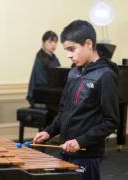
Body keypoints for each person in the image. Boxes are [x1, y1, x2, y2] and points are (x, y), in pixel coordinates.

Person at [33, 20, 119, 180]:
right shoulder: (73, 73)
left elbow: (111, 121)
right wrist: (49, 131)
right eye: (66, 50)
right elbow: (63, 112)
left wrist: (80, 141)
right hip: (65, 150)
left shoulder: (105, 75)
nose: (68, 55)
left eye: (72, 49)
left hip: (87, 155)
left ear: (88, 44)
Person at [26, 31, 61, 106]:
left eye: (55, 42)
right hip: (40, 96)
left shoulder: (54, 58)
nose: (53, 44)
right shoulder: (40, 58)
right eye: (50, 42)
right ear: (43, 43)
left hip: (50, 93)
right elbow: (41, 81)